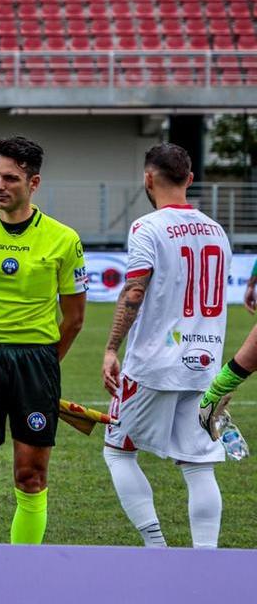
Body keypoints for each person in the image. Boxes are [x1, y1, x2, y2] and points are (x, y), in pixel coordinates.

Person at [0, 136, 87, 545]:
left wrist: (45, 362)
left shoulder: (64, 240)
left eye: (10, 178)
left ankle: (23, 573)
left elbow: (74, 319)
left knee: (31, 477)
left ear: (33, 183)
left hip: (35, 365)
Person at [102, 143, 229, 549]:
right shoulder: (217, 230)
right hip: (205, 366)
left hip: (154, 365)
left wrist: (111, 348)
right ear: (189, 179)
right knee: (199, 465)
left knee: (118, 452)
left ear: (148, 178)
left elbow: (135, 291)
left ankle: (156, 548)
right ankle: (206, 558)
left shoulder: (148, 227)